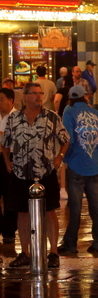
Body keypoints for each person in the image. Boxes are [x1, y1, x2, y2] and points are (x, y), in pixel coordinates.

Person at [2, 82, 70, 269]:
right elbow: (5, 143)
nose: (39, 97)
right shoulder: (14, 118)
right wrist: (8, 162)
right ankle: (25, 252)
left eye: (40, 94)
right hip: (20, 173)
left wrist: (59, 157)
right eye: (34, 94)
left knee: (50, 212)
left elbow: (65, 139)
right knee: (22, 213)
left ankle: (53, 252)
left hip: (45, 172)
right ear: (24, 97)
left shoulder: (52, 117)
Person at [58, 85, 98, 254]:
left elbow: (67, 138)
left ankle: (71, 244)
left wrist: (65, 158)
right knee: (95, 206)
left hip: (76, 165)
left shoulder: (69, 113)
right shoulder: (97, 114)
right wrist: (97, 157)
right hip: (93, 166)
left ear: (70, 98)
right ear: (85, 96)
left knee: (75, 206)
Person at [0, 87, 18, 244]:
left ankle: (9, 231)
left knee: (10, 195)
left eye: (1, 99)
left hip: (11, 157)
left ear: (11, 101)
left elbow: (10, 139)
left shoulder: (17, 117)